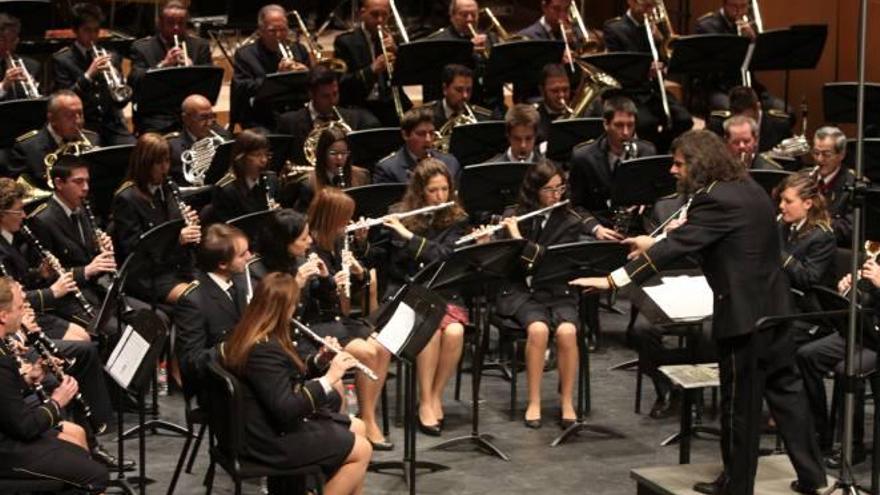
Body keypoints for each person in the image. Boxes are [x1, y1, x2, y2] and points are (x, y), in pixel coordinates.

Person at [570, 130, 826, 495]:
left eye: (679, 163)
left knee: (739, 408)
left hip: (744, 320)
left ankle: (736, 487)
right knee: (788, 395)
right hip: (777, 312)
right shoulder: (748, 187)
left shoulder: (715, 199)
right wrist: (660, 241)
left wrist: (613, 281)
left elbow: (677, 247)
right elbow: (716, 243)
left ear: (700, 163)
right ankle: (813, 476)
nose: (673, 170)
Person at [221, 272, 371, 495]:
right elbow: (286, 408)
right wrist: (331, 377)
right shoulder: (263, 348)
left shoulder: (250, 333)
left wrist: (321, 360)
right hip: (267, 440)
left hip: (262, 424)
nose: (295, 310)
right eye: (293, 305)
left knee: (359, 427)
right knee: (362, 449)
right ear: (282, 309)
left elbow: (282, 377)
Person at [489, 160, 598, 428]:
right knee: (538, 330)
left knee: (567, 332)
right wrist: (488, 241)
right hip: (520, 291)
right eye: (549, 190)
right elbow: (503, 262)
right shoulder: (513, 214)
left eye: (560, 188)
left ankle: (567, 401)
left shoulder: (570, 221)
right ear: (535, 190)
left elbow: (542, 261)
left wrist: (518, 239)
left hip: (557, 289)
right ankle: (534, 401)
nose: (556, 195)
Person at [368, 159, 469, 435]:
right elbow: (392, 259)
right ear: (420, 191)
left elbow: (443, 255)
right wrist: (375, 235)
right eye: (433, 191)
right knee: (433, 331)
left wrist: (408, 237)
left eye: (444, 189)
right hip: (406, 292)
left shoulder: (457, 218)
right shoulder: (398, 214)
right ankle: (424, 400)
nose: (440, 197)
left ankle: (435, 394)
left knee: (456, 332)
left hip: (442, 290)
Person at [0, 278, 109, 493]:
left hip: (9, 433)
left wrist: (32, 377)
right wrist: (57, 402)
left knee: (77, 447)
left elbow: (5, 398)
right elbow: (26, 427)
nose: (24, 313)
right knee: (96, 475)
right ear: (3, 316)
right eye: (20, 308)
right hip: (6, 450)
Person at [306, 188, 392, 449]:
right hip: (316, 322)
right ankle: (365, 422)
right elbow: (312, 294)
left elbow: (358, 288)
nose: (349, 224)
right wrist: (331, 282)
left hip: (336, 318)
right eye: (345, 218)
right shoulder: (309, 246)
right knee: (366, 353)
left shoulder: (337, 241)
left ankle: (368, 415)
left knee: (384, 345)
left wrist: (357, 271)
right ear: (331, 217)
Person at [797, 260, 880, 469]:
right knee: (808, 355)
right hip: (868, 329)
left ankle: (853, 446)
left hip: (874, 338)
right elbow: (869, 299)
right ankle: (819, 433)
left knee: (848, 370)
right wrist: (850, 292)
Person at [26, 155, 117, 331]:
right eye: (78, 182)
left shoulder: (82, 208)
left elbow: (87, 254)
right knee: (115, 330)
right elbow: (44, 276)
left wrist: (101, 248)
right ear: (59, 183)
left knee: (150, 318)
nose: (86, 188)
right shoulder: (42, 220)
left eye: (87, 181)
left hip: (96, 289)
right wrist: (87, 271)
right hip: (67, 299)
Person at [110, 133, 200, 303]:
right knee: (195, 299)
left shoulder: (169, 187)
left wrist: (189, 225)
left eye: (167, 161)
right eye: (159, 163)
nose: (165, 168)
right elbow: (135, 252)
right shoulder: (126, 198)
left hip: (179, 265)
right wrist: (178, 239)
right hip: (149, 276)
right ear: (144, 164)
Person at [0, 178, 89, 341]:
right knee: (83, 340)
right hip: (18, 319)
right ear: (2, 214)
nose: (24, 215)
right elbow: (10, 298)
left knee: (85, 335)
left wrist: (40, 274)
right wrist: (53, 292)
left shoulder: (9, 238)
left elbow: (19, 278)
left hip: (32, 309)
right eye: (19, 211)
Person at [174, 224, 250, 406]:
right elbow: (191, 362)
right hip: (218, 386)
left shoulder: (239, 282)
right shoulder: (193, 301)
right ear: (222, 264)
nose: (250, 257)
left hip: (245, 371)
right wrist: (229, 350)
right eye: (242, 255)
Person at [602, 0, 693, 150]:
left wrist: (662, 48)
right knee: (646, 123)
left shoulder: (657, 28)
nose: (649, 10)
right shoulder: (614, 28)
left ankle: (663, 152)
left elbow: (667, 59)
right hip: (628, 91)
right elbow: (618, 68)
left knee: (684, 119)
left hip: (653, 91)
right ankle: (647, 155)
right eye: (645, 5)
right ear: (631, 2)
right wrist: (645, 70)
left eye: (652, 6)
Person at [52, 3, 134, 147]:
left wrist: (118, 80)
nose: (93, 36)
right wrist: (88, 75)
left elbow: (121, 102)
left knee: (133, 150)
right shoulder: (62, 60)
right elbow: (63, 101)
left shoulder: (112, 57)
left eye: (96, 30)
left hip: (111, 124)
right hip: (83, 126)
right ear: (75, 31)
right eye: (87, 30)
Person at [568, 96, 656, 230]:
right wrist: (595, 228)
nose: (626, 132)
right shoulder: (583, 156)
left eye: (630, 125)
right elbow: (575, 204)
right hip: (599, 227)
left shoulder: (647, 152)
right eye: (619, 125)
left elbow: (654, 194)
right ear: (606, 124)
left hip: (636, 225)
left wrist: (646, 202)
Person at [128, 0, 213, 134]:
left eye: (181, 23)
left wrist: (194, 70)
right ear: (159, 23)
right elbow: (134, 80)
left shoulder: (200, 46)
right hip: (157, 117)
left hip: (195, 116)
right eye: (171, 23)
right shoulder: (142, 48)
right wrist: (163, 65)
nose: (176, 28)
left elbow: (210, 85)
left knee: (225, 141)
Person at [275, 65, 380, 168]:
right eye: (325, 96)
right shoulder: (289, 123)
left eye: (335, 94)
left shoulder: (354, 119)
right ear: (311, 94)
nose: (332, 101)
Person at [776, 170, 837, 345]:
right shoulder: (782, 225)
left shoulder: (822, 236)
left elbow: (808, 279)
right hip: (783, 303)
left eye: (788, 201)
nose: (781, 206)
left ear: (808, 203)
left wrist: (779, 254)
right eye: (781, 200)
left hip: (808, 314)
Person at [231, 4, 311, 130]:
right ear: (260, 31)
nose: (278, 35)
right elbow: (242, 87)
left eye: (283, 29)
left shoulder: (299, 50)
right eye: (272, 31)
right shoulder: (245, 55)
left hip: (295, 113)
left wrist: (307, 74)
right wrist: (277, 78)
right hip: (261, 117)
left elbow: (311, 87)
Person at [333, 0, 412, 126]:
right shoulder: (346, 42)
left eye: (384, 15)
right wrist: (372, 70)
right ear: (362, 14)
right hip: (360, 103)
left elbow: (409, 75)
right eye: (374, 15)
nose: (380, 20)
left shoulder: (392, 39)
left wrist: (398, 53)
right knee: (372, 124)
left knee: (417, 121)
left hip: (388, 101)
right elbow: (343, 84)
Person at [426, 0, 502, 112]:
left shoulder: (490, 38)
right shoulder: (438, 42)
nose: (470, 19)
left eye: (474, 14)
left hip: (492, 107)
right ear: (452, 16)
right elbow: (439, 77)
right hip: (457, 107)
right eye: (464, 14)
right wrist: (467, 53)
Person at [9, 91, 100, 184]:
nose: (78, 121)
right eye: (70, 115)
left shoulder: (92, 139)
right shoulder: (27, 148)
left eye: (80, 114)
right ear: (52, 119)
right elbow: (19, 191)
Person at [287, 126, 371, 212]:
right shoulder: (308, 184)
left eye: (344, 153)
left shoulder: (362, 176)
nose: (339, 158)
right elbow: (303, 218)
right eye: (333, 153)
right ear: (323, 154)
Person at [373, 106, 461, 184]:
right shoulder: (388, 169)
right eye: (421, 134)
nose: (428, 139)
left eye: (431, 133)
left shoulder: (450, 163)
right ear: (405, 135)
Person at [209, 129, 279, 223]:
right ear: (241, 158)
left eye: (266, 154)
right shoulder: (225, 189)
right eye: (257, 155)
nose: (264, 160)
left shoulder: (271, 179)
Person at [166, 94, 232, 186]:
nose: (209, 123)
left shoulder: (223, 137)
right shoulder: (173, 147)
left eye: (212, 116)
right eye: (203, 117)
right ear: (186, 119)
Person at [706, 86, 793, 153]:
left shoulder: (779, 125)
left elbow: (792, 163)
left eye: (749, 119)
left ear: (758, 107)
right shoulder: (718, 124)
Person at [810, 126, 855, 247]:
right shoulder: (805, 178)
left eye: (826, 154)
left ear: (841, 155)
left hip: (834, 250)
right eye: (816, 153)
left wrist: (814, 221)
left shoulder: (852, 185)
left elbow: (849, 230)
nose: (819, 159)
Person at [427, 64, 494, 134]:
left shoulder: (484, 119)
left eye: (468, 90)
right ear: (445, 89)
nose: (465, 95)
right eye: (459, 90)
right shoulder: (426, 117)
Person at [0, 13, 41, 102]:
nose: (8, 45)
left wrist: (33, 87)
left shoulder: (32, 66)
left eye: (12, 40)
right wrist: (3, 86)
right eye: (3, 40)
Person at [534, 64, 571, 143]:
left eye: (565, 89)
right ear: (542, 91)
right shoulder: (535, 122)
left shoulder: (582, 115)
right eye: (555, 91)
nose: (562, 95)